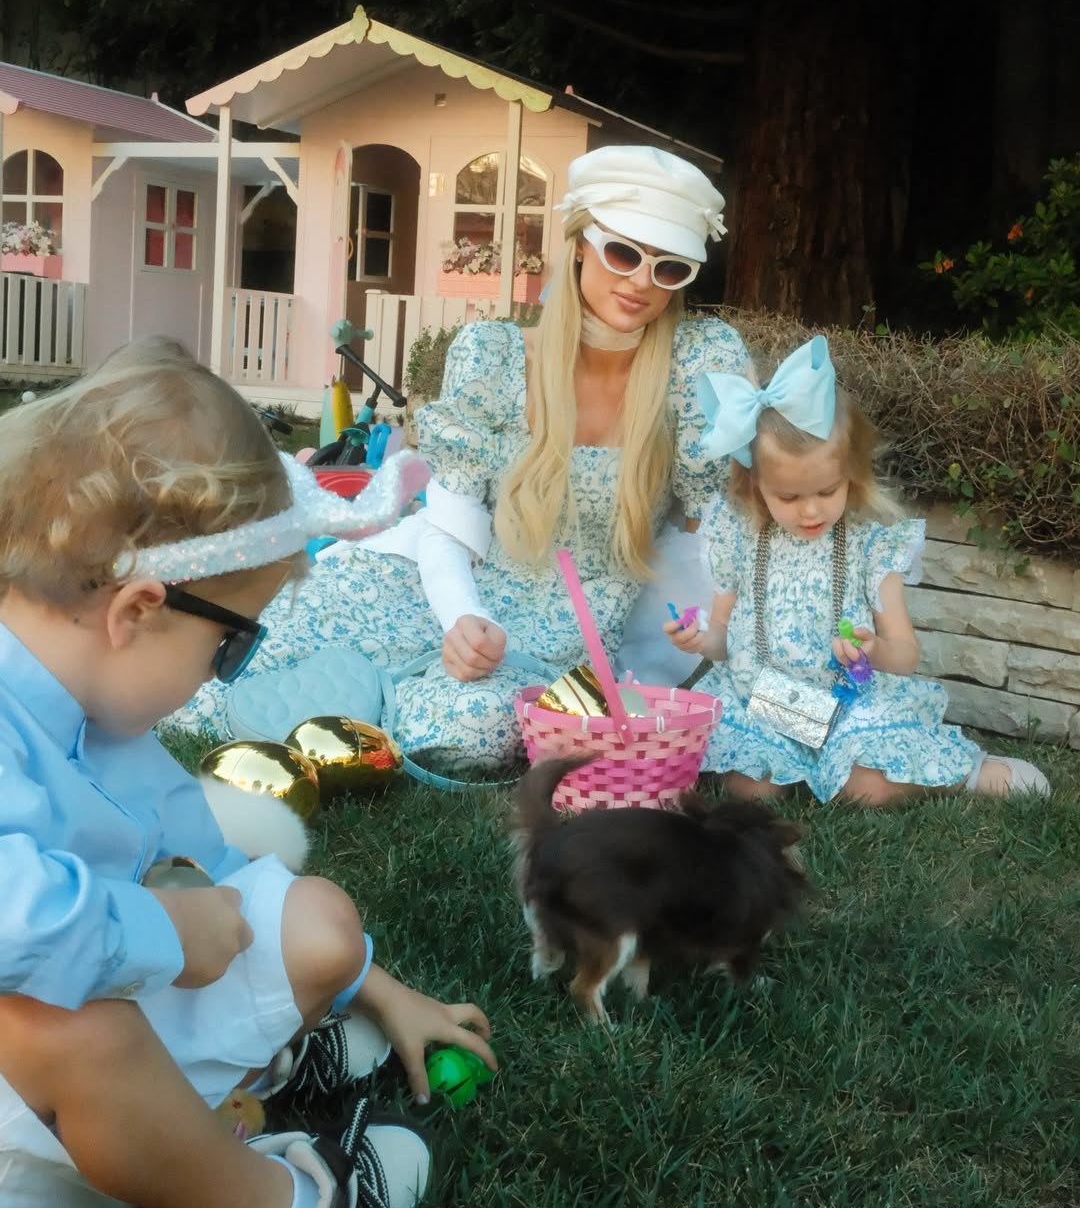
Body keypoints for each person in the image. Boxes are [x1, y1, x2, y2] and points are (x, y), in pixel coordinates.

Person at [0, 338, 496, 1208]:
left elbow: (211, 866)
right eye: (231, 646)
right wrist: (163, 929)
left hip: (88, 1094)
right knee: (66, 1029)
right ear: (138, 610)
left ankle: (215, 1122)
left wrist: (375, 986)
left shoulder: (105, 723)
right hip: (26, 1133)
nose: (224, 673)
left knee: (315, 924)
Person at [171, 145, 752, 771]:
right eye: (624, 253)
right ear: (582, 244)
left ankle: (373, 710)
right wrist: (462, 616)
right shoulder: (496, 357)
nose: (641, 281)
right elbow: (448, 527)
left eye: (669, 268)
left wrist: (700, 640)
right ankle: (345, 698)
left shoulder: (694, 369)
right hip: (437, 584)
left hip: (560, 635)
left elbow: (714, 531)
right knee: (217, 678)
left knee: (467, 732)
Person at [665, 335, 1051, 806]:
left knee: (867, 788)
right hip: (762, 700)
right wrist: (700, 639)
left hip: (850, 706)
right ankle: (798, 767)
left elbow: (905, 653)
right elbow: (724, 640)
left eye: (828, 490)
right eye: (788, 496)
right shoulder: (739, 536)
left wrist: (875, 650)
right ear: (755, 485)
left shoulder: (872, 544)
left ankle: (968, 774)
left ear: (852, 474)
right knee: (753, 788)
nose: (811, 510)